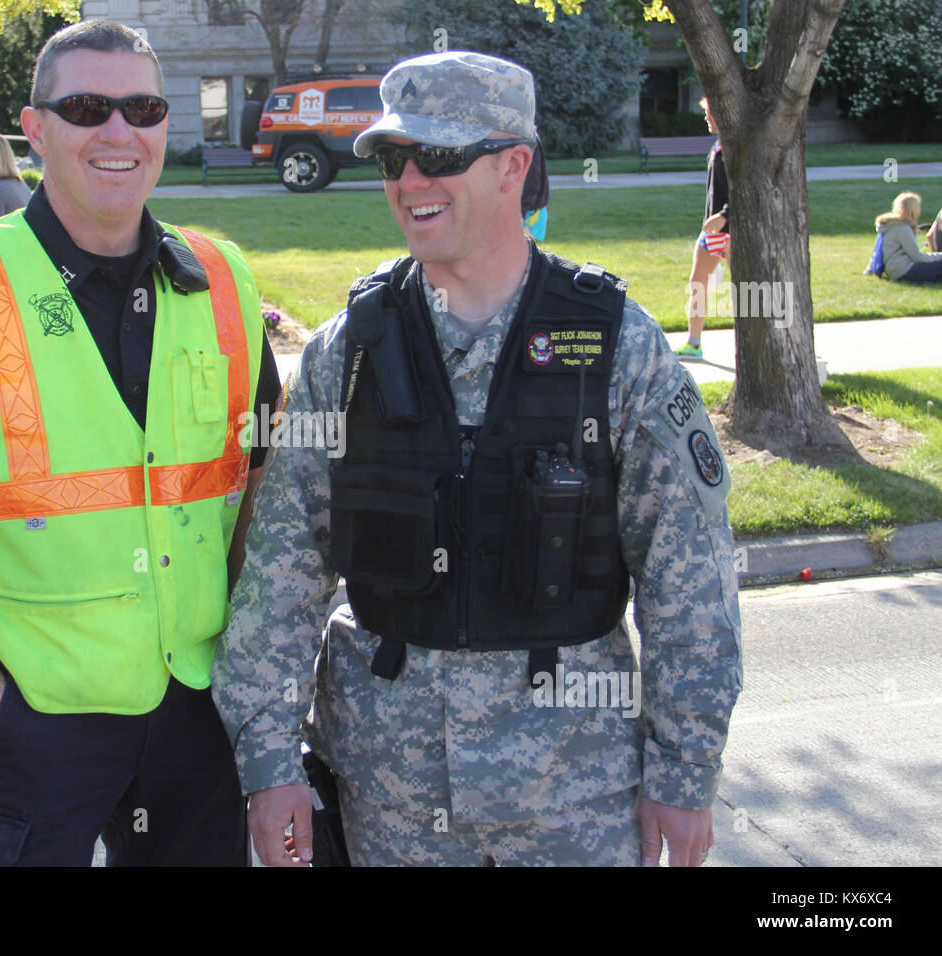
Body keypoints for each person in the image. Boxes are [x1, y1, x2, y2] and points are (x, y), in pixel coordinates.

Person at [212, 50, 743, 867]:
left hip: (574, 798)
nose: (412, 179)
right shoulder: (348, 352)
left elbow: (690, 581)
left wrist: (685, 771)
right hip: (390, 799)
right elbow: (284, 574)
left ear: (514, 166)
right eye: (394, 157)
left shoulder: (614, 346)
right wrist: (269, 760)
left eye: (442, 156)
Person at [0, 18, 282, 866]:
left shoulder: (223, 280)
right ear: (35, 131)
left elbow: (258, 483)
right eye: (86, 107)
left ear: (165, 126)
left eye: (143, 108)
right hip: (32, 724)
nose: (119, 131)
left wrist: (245, 664)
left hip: (197, 711)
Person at [674, 98, 728, 360]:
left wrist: (725, 216)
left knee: (747, 288)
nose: (706, 118)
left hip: (732, 231)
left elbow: (747, 187)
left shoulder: (734, 144)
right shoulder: (718, 144)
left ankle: (752, 349)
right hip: (711, 233)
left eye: (710, 113)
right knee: (698, 284)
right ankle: (693, 344)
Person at [873, 192, 942, 283]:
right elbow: (917, 257)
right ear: (914, 209)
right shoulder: (903, 228)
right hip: (904, 271)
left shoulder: (891, 225)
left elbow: (877, 252)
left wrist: (869, 270)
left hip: (894, 270)